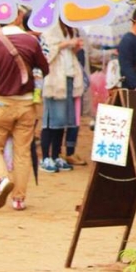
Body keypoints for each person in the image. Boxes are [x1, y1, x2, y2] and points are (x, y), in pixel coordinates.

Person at [0, 11, 49, 211]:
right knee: (22, 151)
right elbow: (44, 68)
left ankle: (1, 180)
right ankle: (18, 199)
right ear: (18, 17)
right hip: (27, 103)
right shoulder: (31, 41)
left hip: (2, 102)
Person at [39, 20, 85, 173]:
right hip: (54, 79)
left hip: (69, 76)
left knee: (63, 121)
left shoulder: (70, 28)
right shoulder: (49, 27)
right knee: (51, 120)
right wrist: (65, 44)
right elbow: (46, 54)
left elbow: (67, 54)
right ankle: (46, 156)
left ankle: (56, 154)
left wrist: (74, 47)